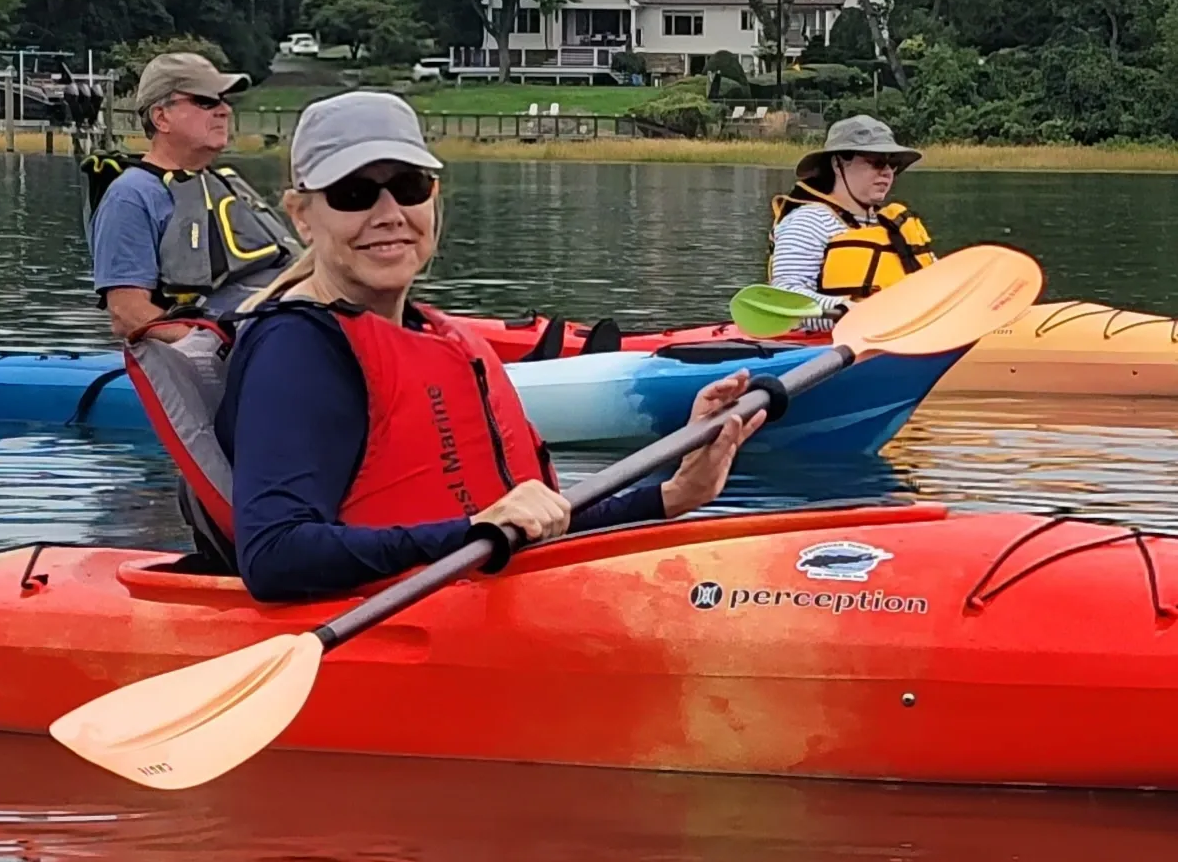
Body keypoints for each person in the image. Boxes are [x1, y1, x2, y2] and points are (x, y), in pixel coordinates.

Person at [150, 90, 762, 602]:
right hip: (397, 634)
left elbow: (526, 524)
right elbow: (276, 558)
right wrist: (472, 530)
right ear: (303, 215)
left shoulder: (435, 337)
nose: (389, 212)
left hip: (489, 603)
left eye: (409, 186)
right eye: (354, 194)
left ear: (433, 197)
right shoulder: (299, 349)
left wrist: (674, 495)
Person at [87, 52, 295, 342]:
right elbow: (126, 314)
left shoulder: (222, 184)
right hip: (205, 364)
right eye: (206, 101)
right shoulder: (130, 196)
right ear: (161, 117)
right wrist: (223, 347)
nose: (224, 111)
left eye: (224, 101)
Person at [769, 115, 936, 318]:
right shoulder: (809, 221)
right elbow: (785, 295)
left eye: (892, 164)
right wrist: (850, 310)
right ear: (838, 164)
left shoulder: (892, 225)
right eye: (876, 162)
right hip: (832, 341)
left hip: (902, 333)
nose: (886, 172)